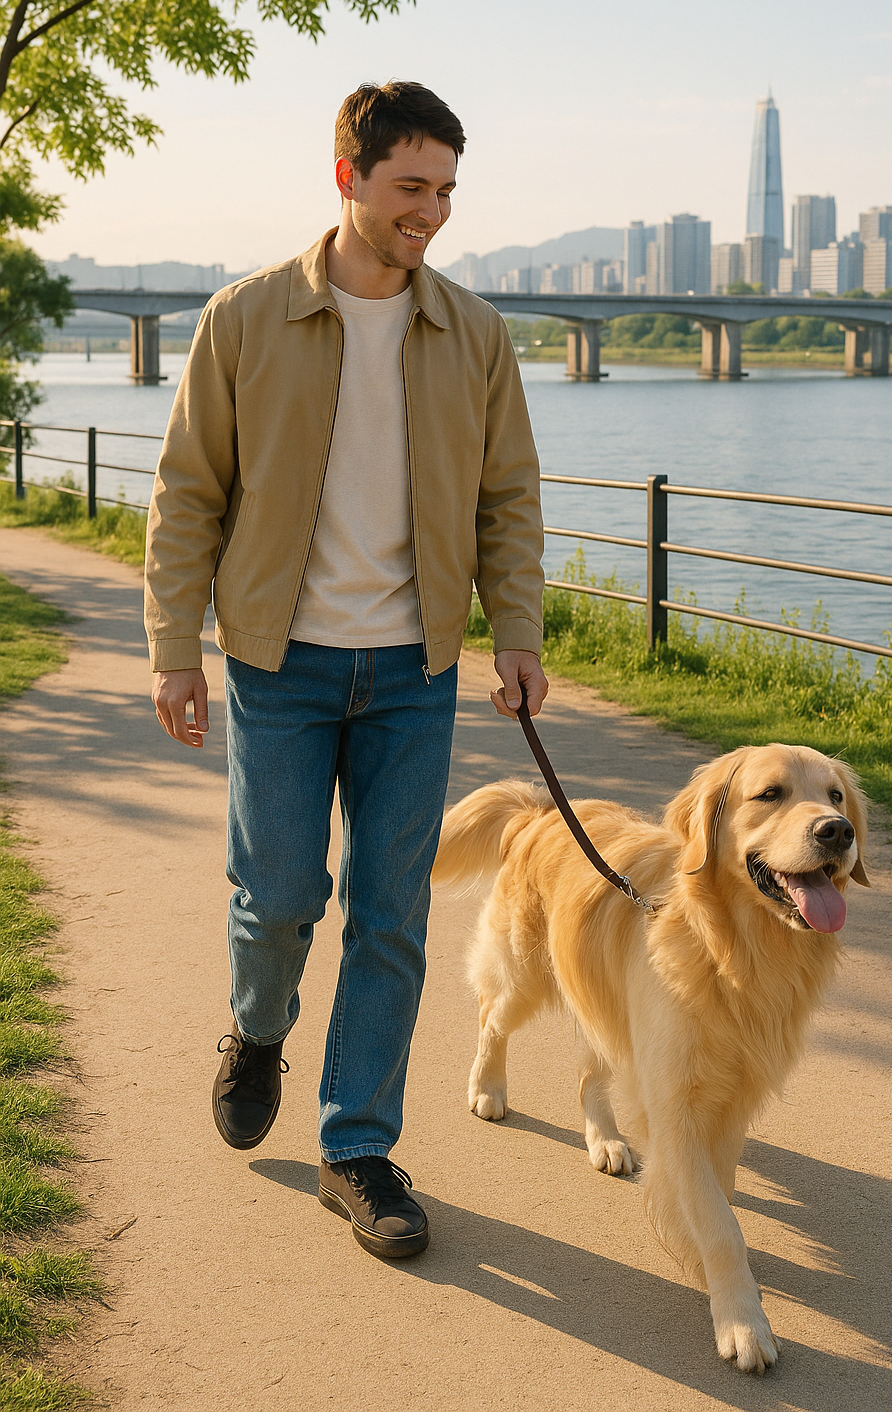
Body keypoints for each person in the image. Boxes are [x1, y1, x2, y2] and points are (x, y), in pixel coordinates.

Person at [145, 81, 546, 1260]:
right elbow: (187, 498)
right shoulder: (247, 319)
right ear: (350, 179)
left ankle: (357, 1146)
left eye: (446, 192)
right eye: (411, 188)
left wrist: (513, 633)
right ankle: (258, 1029)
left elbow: (507, 499)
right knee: (276, 900)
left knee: (392, 915)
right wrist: (175, 650)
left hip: (414, 673)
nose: (432, 212)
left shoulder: (471, 332)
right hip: (282, 664)